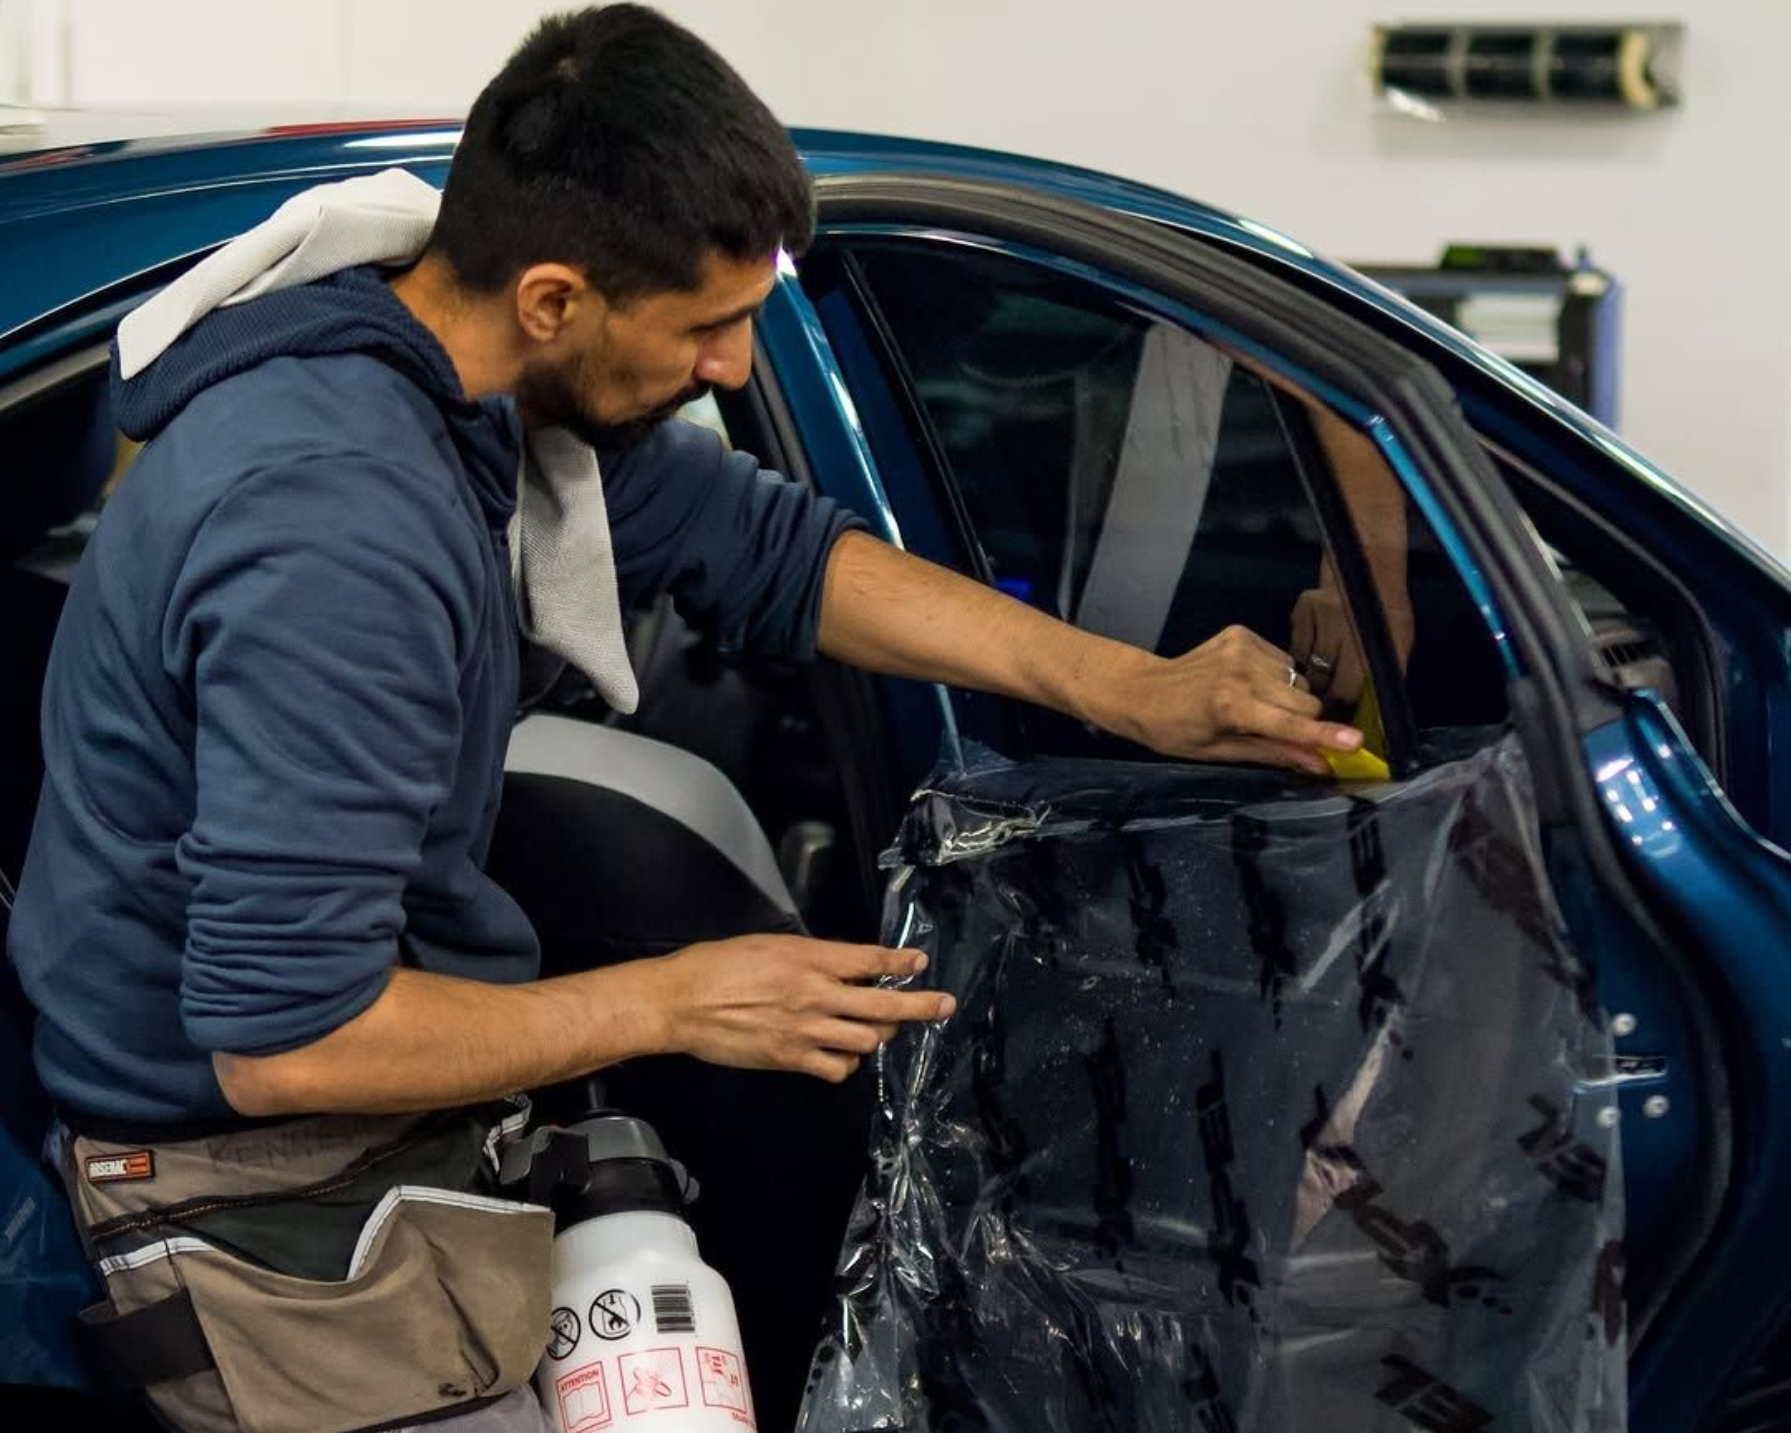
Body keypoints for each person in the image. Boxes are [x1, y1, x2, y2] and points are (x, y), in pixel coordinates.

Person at [5, 7, 1364, 1431]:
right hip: (260, 1201)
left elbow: (776, 554)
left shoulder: (461, 390)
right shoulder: (338, 537)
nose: (731, 368)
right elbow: (286, 1042)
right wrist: (684, 998)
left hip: (347, 1141)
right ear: (550, 299)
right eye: (705, 327)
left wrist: (1127, 689)